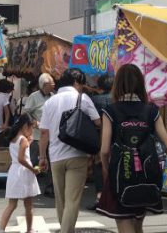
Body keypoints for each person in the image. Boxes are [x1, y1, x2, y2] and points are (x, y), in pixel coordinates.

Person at [97, 65, 167, 232]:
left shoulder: (110, 111)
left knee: (125, 223)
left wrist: (108, 172)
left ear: (118, 84)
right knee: (138, 225)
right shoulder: (151, 110)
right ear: (140, 84)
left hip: (121, 177)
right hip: (147, 177)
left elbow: (105, 150)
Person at [39, 68, 100, 233]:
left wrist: (42, 157)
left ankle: (66, 230)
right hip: (77, 154)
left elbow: (44, 132)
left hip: (55, 156)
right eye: (81, 83)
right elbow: (98, 122)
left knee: (61, 200)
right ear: (76, 82)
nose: (81, 86)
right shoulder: (83, 98)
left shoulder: (49, 102)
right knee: (72, 200)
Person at [0, 114, 42, 233]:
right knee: (29, 205)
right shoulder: (23, 140)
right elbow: (22, 159)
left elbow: (19, 154)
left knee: (11, 205)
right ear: (24, 126)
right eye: (31, 127)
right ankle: (29, 230)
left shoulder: (14, 139)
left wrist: (29, 141)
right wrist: (33, 169)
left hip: (14, 171)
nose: (32, 130)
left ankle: (1, 230)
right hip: (24, 173)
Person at [23, 73, 54, 195]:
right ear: (44, 85)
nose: (53, 85)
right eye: (52, 84)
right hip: (37, 135)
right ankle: (26, 185)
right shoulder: (34, 96)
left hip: (51, 135)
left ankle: (50, 187)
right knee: (33, 161)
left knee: (51, 161)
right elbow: (26, 113)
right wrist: (34, 121)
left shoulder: (53, 96)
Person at [88, 73, 114, 211]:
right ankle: (114, 197)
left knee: (99, 167)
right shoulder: (118, 99)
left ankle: (99, 196)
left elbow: (91, 120)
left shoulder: (94, 100)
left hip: (99, 138)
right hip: (116, 139)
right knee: (115, 166)